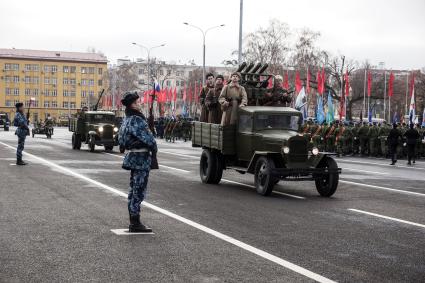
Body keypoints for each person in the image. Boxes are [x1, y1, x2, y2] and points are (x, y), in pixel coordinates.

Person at [119, 91, 157, 233]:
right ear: (132, 105)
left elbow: (121, 140)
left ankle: (134, 220)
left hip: (134, 158)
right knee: (139, 190)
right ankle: (135, 223)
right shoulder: (137, 119)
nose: (140, 104)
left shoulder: (127, 119)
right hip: (141, 159)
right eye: (137, 102)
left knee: (133, 189)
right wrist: (153, 143)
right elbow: (150, 140)